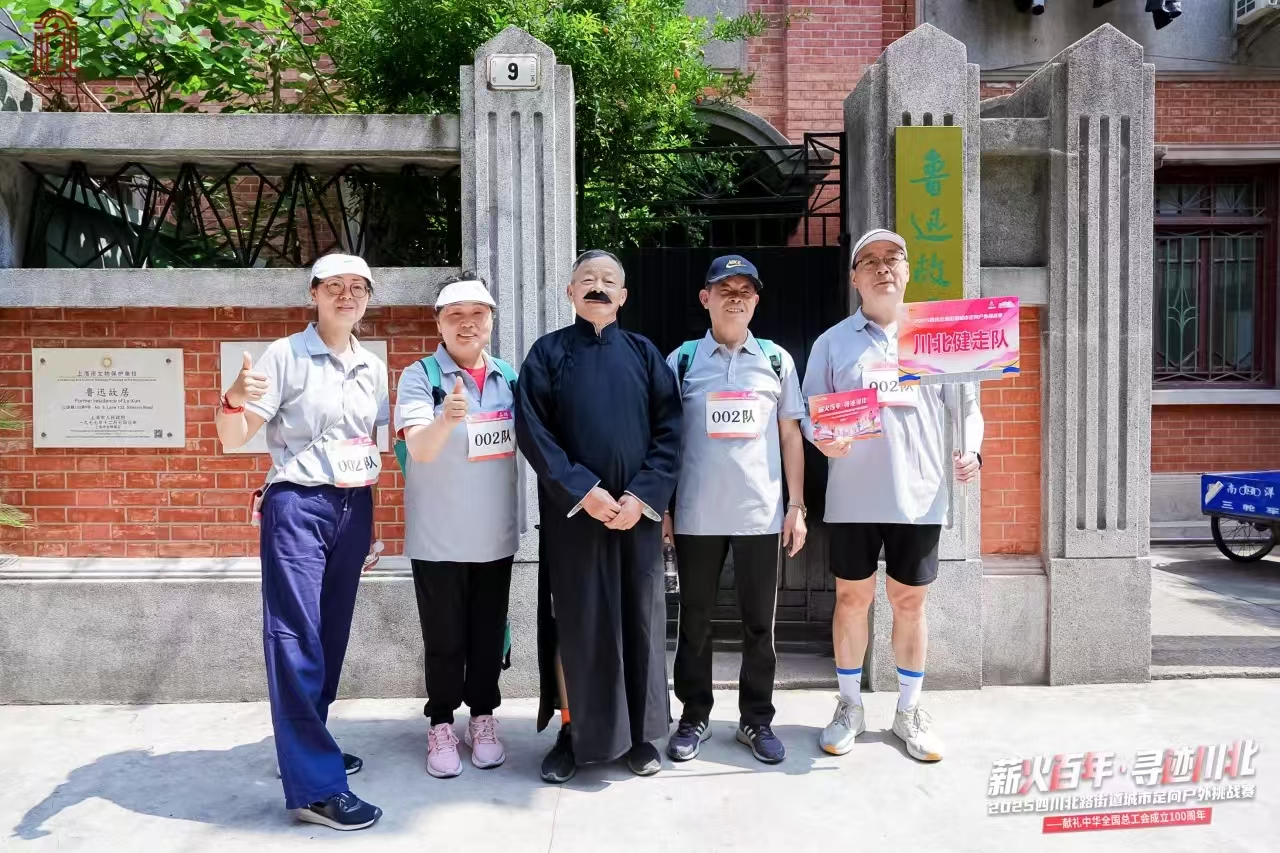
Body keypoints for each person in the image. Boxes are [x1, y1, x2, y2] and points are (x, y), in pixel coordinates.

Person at [215, 253, 387, 831]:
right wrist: (233, 398)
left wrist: (370, 521)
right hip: (298, 505)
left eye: (358, 286)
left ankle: (306, 745)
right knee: (295, 634)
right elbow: (233, 435)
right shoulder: (285, 355)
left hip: (352, 506)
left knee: (331, 632)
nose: (347, 295)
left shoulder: (371, 365)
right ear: (313, 293)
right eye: (334, 285)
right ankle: (315, 788)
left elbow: (365, 445)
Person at [801, 229, 982, 764]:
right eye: (870, 261)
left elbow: (968, 409)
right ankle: (849, 706)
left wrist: (973, 451)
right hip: (853, 498)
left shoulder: (938, 337)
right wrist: (821, 438)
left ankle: (909, 710)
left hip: (920, 497)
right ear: (854, 277)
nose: (882, 268)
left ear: (907, 271)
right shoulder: (831, 342)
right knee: (851, 601)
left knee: (910, 603)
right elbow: (810, 412)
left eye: (893, 258)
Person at [514, 249, 683, 783]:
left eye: (609, 280)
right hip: (574, 518)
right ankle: (572, 732)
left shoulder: (645, 354)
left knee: (641, 621)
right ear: (570, 292)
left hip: (637, 517)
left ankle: (641, 734)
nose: (598, 287)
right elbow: (533, 431)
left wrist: (642, 497)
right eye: (587, 279)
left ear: (623, 296)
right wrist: (583, 491)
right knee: (577, 623)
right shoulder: (547, 354)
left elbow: (671, 431)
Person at [663, 255, 807, 765]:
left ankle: (756, 719)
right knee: (694, 622)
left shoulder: (776, 360)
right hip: (697, 515)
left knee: (759, 625)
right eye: (725, 288)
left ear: (757, 301)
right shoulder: (681, 361)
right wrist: (664, 510)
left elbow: (791, 436)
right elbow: (665, 439)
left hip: (760, 515)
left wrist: (796, 505)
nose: (736, 297)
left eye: (746, 290)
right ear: (705, 298)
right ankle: (693, 716)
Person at [396, 273, 521, 779]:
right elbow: (419, 449)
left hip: (494, 535)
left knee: (488, 635)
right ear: (439, 324)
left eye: (477, 314)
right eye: (455, 315)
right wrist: (446, 418)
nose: (467, 324)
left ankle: (483, 718)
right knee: (445, 638)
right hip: (439, 536)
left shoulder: (508, 376)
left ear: (490, 321)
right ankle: (442, 723)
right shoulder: (420, 376)